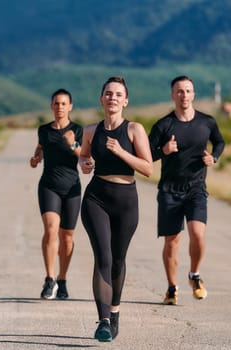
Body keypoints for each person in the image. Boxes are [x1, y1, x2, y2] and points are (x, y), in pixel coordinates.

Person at [79, 76, 153, 341]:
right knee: (104, 258)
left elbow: (147, 168)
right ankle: (104, 321)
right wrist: (85, 163)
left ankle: (115, 310)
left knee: (118, 260)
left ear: (126, 101)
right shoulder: (91, 130)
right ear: (101, 99)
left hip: (126, 199)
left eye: (118, 94)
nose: (113, 98)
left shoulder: (134, 130)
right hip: (96, 197)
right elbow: (85, 155)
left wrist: (122, 152)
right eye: (108, 94)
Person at [148, 75, 225, 306]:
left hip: (196, 188)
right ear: (173, 95)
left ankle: (195, 275)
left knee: (198, 235)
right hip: (170, 190)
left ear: (194, 94)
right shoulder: (163, 125)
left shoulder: (207, 122)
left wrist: (214, 157)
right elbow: (147, 155)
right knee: (172, 241)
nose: (184, 95)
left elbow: (220, 142)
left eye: (188, 91)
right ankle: (172, 288)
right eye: (179, 91)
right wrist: (164, 149)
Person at [30, 88, 83, 300]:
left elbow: (84, 156)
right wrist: (36, 158)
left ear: (70, 107)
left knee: (67, 236)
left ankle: (62, 279)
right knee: (51, 230)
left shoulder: (77, 130)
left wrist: (73, 144)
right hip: (48, 186)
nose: (59, 107)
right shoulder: (44, 130)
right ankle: (49, 278)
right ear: (51, 106)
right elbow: (40, 147)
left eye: (63, 104)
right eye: (56, 103)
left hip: (71, 188)